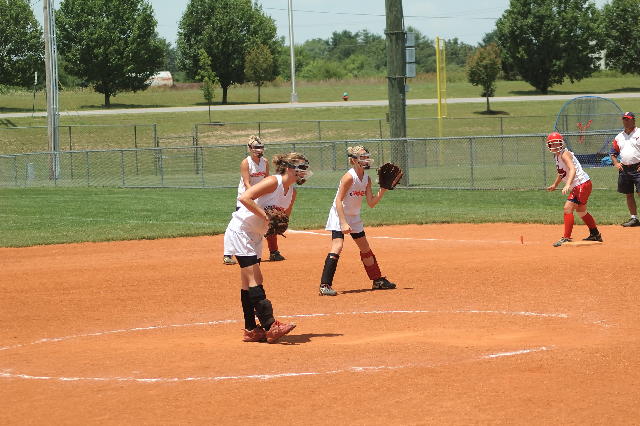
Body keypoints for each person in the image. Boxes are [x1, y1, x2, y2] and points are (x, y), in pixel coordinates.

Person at [224, 152, 312, 342]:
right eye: (301, 167)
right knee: (255, 277)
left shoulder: (292, 193)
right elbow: (245, 198)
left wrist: (280, 224)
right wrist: (266, 216)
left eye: (305, 168)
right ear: (288, 168)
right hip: (241, 231)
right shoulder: (273, 181)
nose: (304, 171)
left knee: (247, 283)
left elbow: (284, 217)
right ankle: (270, 325)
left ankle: (251, 329)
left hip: (256, 235)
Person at [318, 145, 396, 296]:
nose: (366, 160)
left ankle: (377, 280)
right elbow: (338, 201)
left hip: (354, 216)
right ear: (354, 160)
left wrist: (383, 190)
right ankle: (324, 285)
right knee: (338, 245)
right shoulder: (349, 177)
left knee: (365, 248)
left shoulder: (366, 179)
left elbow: (371, 203)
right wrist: (343, 222)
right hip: (339, 214)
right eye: (362, 157)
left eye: (367, 157)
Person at [223, 136, 286, 265]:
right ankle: (228, 254)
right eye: (256, 147)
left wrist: (269, 195)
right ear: (250, 148)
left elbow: (267, 180)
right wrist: (253, 196)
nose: (259, 149)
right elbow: (247, 182)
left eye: (261, 147)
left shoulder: (265, 162)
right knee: (237, 225)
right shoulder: (246, 162)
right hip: (245, 198)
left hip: (261, 197)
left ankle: (274, 252)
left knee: (270, 221)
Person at [545, 132, 602, 247]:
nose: (555, 146)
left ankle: (566, 238)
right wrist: (555, 185)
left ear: (562, 143)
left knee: (567, 208)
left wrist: (567, 184)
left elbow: (572, 169)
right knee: (581, 211)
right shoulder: (557, 156)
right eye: (552, 144)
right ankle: (595, 234)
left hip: (581, 184)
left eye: (557, 143)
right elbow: (562, 173)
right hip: (582, 184)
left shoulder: (564, 154)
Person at [609, 112, 640, 227]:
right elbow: (613, 153)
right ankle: (634, 218)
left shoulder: (639, 133)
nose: (625, 121)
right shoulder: (619, 137)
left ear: (633, 120)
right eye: (624, 119)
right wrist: (616, 163)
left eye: (628, 119)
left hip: (638, 168)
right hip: (625, 170)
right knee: (629, 194)